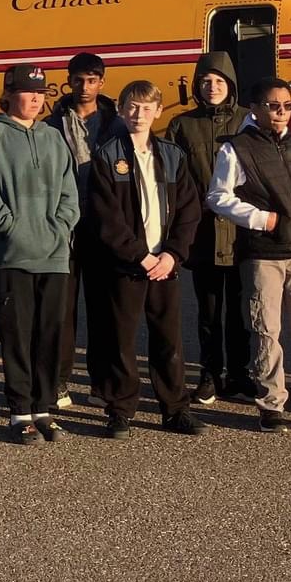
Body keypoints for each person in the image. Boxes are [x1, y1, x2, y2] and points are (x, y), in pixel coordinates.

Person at [206, 78, 291, 432]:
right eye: (274, 106)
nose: (282, 112)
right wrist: (263, 220)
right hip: (263, 253)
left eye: (287, 106)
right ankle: (271, 403)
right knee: (266, 329)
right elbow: (218, 196)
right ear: (256, 109)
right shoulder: (236, 148)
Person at [0, 65, 82, 444]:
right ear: (8, 94)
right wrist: (12, 227)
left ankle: (43, 409)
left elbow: (70, 192)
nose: (35, 99)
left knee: (50, 335)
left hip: (54, 255)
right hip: (13, 255)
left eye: (40, 92)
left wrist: (61, 226)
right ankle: (20, 412)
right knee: (17, 335)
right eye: (27, 91)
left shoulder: (53, 137)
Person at [86, 80, 203, 436]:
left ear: (158, 111)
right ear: (121, 110)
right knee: (121, 340)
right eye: (132, 107)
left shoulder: (173, 155)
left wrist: (173, 254)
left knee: (169, 339)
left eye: (147, 108)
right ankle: (120, 409)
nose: (139, 114)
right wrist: (139, 255)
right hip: (127, 265)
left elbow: (189, 210)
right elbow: (106, 216)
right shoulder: (107, 156)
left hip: (165, 264)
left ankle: (175, 409)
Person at [165, 51, 253, 406]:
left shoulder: (248, 120)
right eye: (205, 81)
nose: (212, 87)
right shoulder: (183, 125)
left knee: (242, 308)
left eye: (218, 81)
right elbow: (173, 177)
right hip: (203, 232)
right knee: (209, 309)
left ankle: (240, 373)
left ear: (230, 84)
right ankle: (209, 373)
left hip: (242, 231)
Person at [52, 51, 122, 406]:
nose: (84, 86)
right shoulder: (52, 124)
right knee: (62, 310)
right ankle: (59, 381)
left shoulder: (116, 124)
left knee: (102, 308)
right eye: (78, 80)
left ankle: (100, 382)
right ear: (69, 81)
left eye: (92, 80)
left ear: (102, 82)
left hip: (104, 226)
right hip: (65, 227)